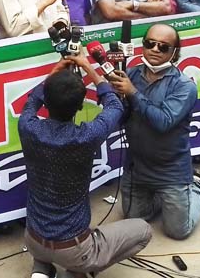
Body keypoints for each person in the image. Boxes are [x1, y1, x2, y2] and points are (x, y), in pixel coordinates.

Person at [19, 54, 152, 278]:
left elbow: (32, 101)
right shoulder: (86, 136)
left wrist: (55, 71)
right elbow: (115, 106)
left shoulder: (27, 126)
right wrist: (88, 67)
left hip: (33, 239)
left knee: (44, 245)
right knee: (143, 230)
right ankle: (78, 271)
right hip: (73, 249)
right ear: (80, 106)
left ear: (46, 102)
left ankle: (41, 268)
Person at [108, 24, 200, 240]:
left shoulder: (184, 86)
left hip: (171, 169)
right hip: (137, 167)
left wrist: (132, 92)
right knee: (134, 218)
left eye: (164, 46)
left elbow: (163, 122)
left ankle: (198, 188)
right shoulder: (130, 74)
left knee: (178, 231)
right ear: (143, 46)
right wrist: (115, 98)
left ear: (175, 52)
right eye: (150, 44)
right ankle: (162, 197)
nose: (155, 49)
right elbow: (121, 119)